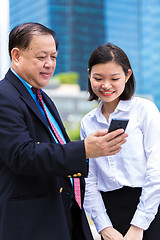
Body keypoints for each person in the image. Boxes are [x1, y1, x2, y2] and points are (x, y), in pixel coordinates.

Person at [0, 24, 127, 240]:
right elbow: (22, 155)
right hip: (31, 224)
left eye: (53, 56)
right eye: (42, 57)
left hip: (62, 216)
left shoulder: (42, 97)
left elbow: (56, 149)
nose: (49, 64)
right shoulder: (5, 96)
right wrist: (84, 150)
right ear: (16, 55)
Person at [80, 43, 160, 240]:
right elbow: (89, 180)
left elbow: (156, 169)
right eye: (98, 78)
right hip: (109, 212)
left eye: (114, 78)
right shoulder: (87, 122)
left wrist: (138, 226)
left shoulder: (145, 110)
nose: (106, 85)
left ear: (127, 75)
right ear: (89, 75)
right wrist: (103, 226)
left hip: (149, 208)